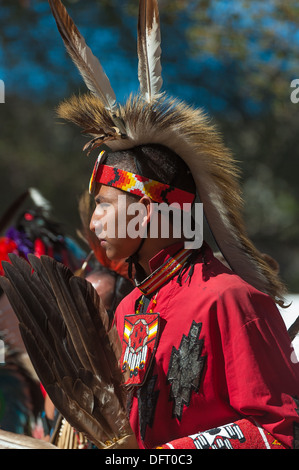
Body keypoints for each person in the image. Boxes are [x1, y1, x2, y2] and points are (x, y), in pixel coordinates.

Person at [13, 0, 299, 450]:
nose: (95, 221)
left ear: (147, 212)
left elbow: (278, 433)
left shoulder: (231, 300)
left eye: (107, 206)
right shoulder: (128, 311)